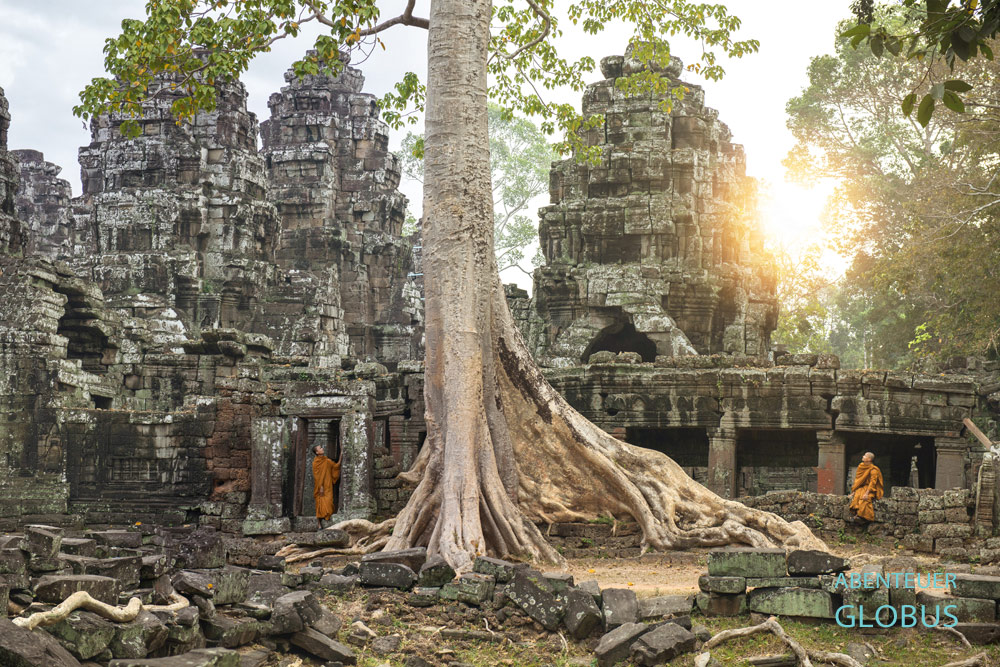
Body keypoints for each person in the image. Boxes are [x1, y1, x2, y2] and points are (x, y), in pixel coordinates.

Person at [849, 451, 884, 522]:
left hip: (871, 489)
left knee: (865, 499)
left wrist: (867, 493)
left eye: (865, 456)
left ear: (869, 459)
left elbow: (872, 483)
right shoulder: (861, 466)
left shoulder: (874, 469)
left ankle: (862, 516)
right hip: (862, 487)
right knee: (856, 496)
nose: (863, 456)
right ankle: (857, 514)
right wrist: (854, 491)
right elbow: (858, 480)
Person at [312, 444, 341, 529]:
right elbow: (316, 476)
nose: (322, 448)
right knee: (319, 504)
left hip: (328, 486)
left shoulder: (327, 461)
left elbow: (336, 466)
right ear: (317, 452)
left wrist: (341, 456)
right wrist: (321, 487)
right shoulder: (315, 463)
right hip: (320, 487)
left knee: (329, 503)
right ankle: (319, 524)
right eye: (320, 448)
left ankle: (327, 522)